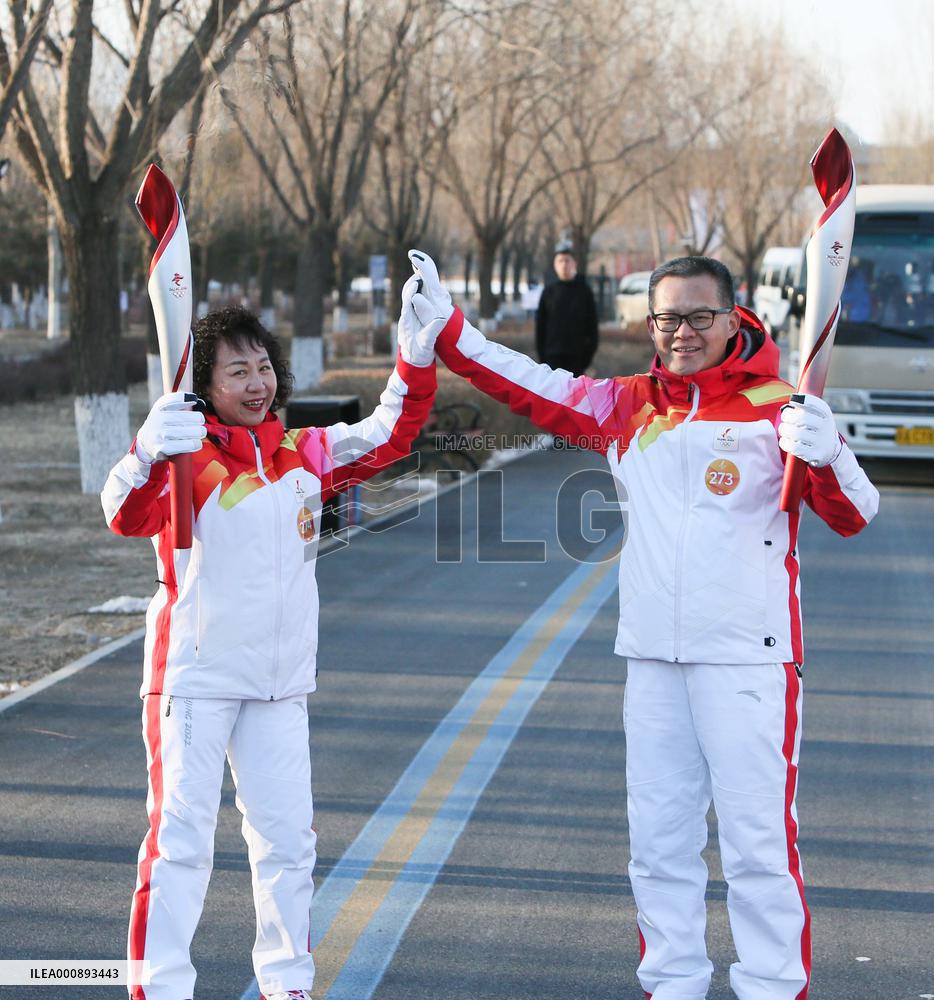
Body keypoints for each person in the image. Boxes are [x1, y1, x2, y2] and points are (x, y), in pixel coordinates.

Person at [407, 250, 879, 1000]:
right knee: (660, 846)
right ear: (649, 322)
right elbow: (533, 385)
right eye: (667, 318)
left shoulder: (780, 405)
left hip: (750, 663)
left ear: (733, 317)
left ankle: (771, 987)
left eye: (699, 316)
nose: (682, 332)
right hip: (655, 661)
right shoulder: (628, 405)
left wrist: (825, 457)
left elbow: (855, 514)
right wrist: (452, 331)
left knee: (758, 847)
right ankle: (673, 985)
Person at [101, 288, 444, 1000]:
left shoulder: (303, 453)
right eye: (236, 372)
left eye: (263, 367)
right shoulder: (185, 459)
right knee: (179, 846)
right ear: (205, 388)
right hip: (194, 679)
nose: (256, 383)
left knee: (289, 848)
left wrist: (416, 350)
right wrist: (144, 449)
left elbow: (391, 433)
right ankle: (158, 989)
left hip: (280, 684)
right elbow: (124, 515)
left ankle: (288, 983)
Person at [534, 240, 599, 375]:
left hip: (577, 359)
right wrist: (543, 359)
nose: (564, 265)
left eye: (567, 261)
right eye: (560, 261)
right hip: (552, 358)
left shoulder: (584, 291)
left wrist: (586, 358)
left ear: (574, 263)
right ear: (555, 265)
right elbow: (540, 327)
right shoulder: (548, 292)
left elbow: (592, 328)